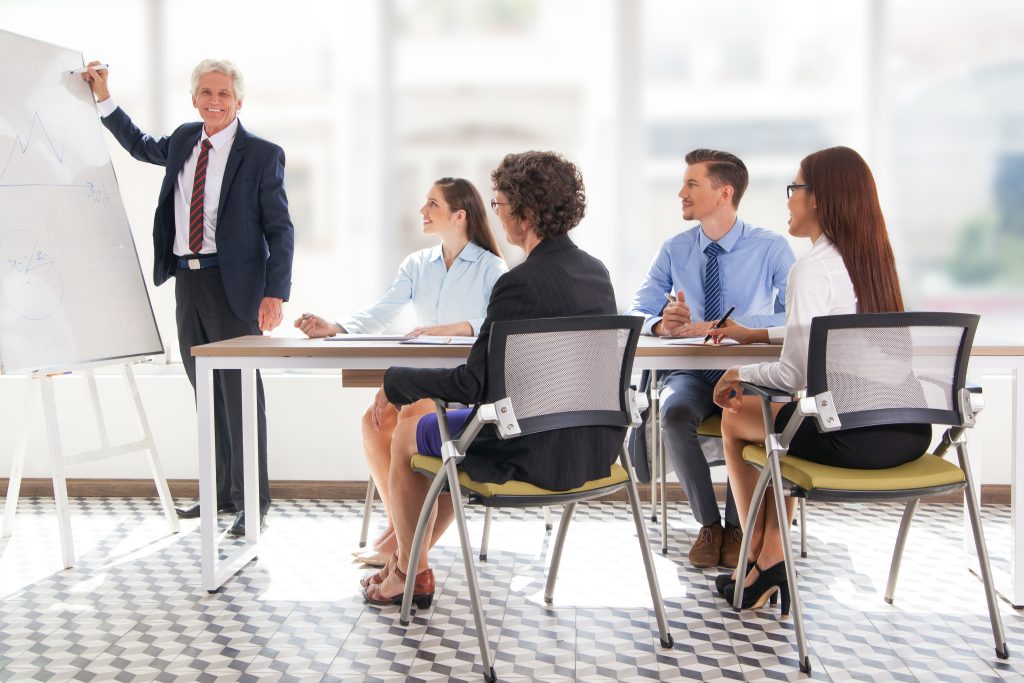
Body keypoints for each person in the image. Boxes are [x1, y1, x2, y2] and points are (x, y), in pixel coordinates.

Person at [359, 150, 620, 607]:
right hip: (594, 448)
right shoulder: (596, 273)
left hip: (530, 451)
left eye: (499, 204)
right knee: (431, 432)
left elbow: (472, 386)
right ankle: (405, 563)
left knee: (407, 434)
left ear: (525, 209)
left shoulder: (518, 283)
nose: (496, 216)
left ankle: (409, 570)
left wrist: (398, 380)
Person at [710, 146, 931, 612]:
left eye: (795, 189)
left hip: (850, 439)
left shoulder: (810, 268)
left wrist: (737, 371)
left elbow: (793, 371)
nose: (788, 200)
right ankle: (769, 557)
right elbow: (832, 330)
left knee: (737, 418)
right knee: (774, 425)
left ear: (819, 198)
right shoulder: (874, 261)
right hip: (909, 432)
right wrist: (760, 334)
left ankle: (757, 554)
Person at [82, 59, 294, 537]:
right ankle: (219, 493)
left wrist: (274, 292)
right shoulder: (183, 139)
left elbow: (280, 228)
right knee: (206, 390)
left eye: (223, 94)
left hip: (234, 287)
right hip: (187, 280)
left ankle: (252, 502)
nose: (214, 101)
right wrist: (104, 97)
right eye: (205, 93)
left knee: (240, 394)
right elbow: (139, 146)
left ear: (239, 102)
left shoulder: (261, 154)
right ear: (194, 98)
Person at [294, 177, 506, 566]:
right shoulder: (417, 264)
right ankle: (401, 528)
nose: (422, 211)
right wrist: (336, 326)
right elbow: (381, 311)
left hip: (466, 381)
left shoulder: (492, 267)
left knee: (412, 416)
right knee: (372, 421)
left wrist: (461, 326)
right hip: (423, 375)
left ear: (459, 215)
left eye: (432, 204)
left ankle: (404, 543)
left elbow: (501, 322)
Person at [626, 149, 794, 569]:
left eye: (691, 184)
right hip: (691, 371)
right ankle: (710, 525)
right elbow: (636, 311)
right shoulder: (674, 249)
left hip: (748, 370)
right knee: (675, 414)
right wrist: (661, 324)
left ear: (724, 192)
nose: (680, 192)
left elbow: (794, 315)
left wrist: (732, 326)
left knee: (755, 416)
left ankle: (741, 526)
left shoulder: (771, 247)